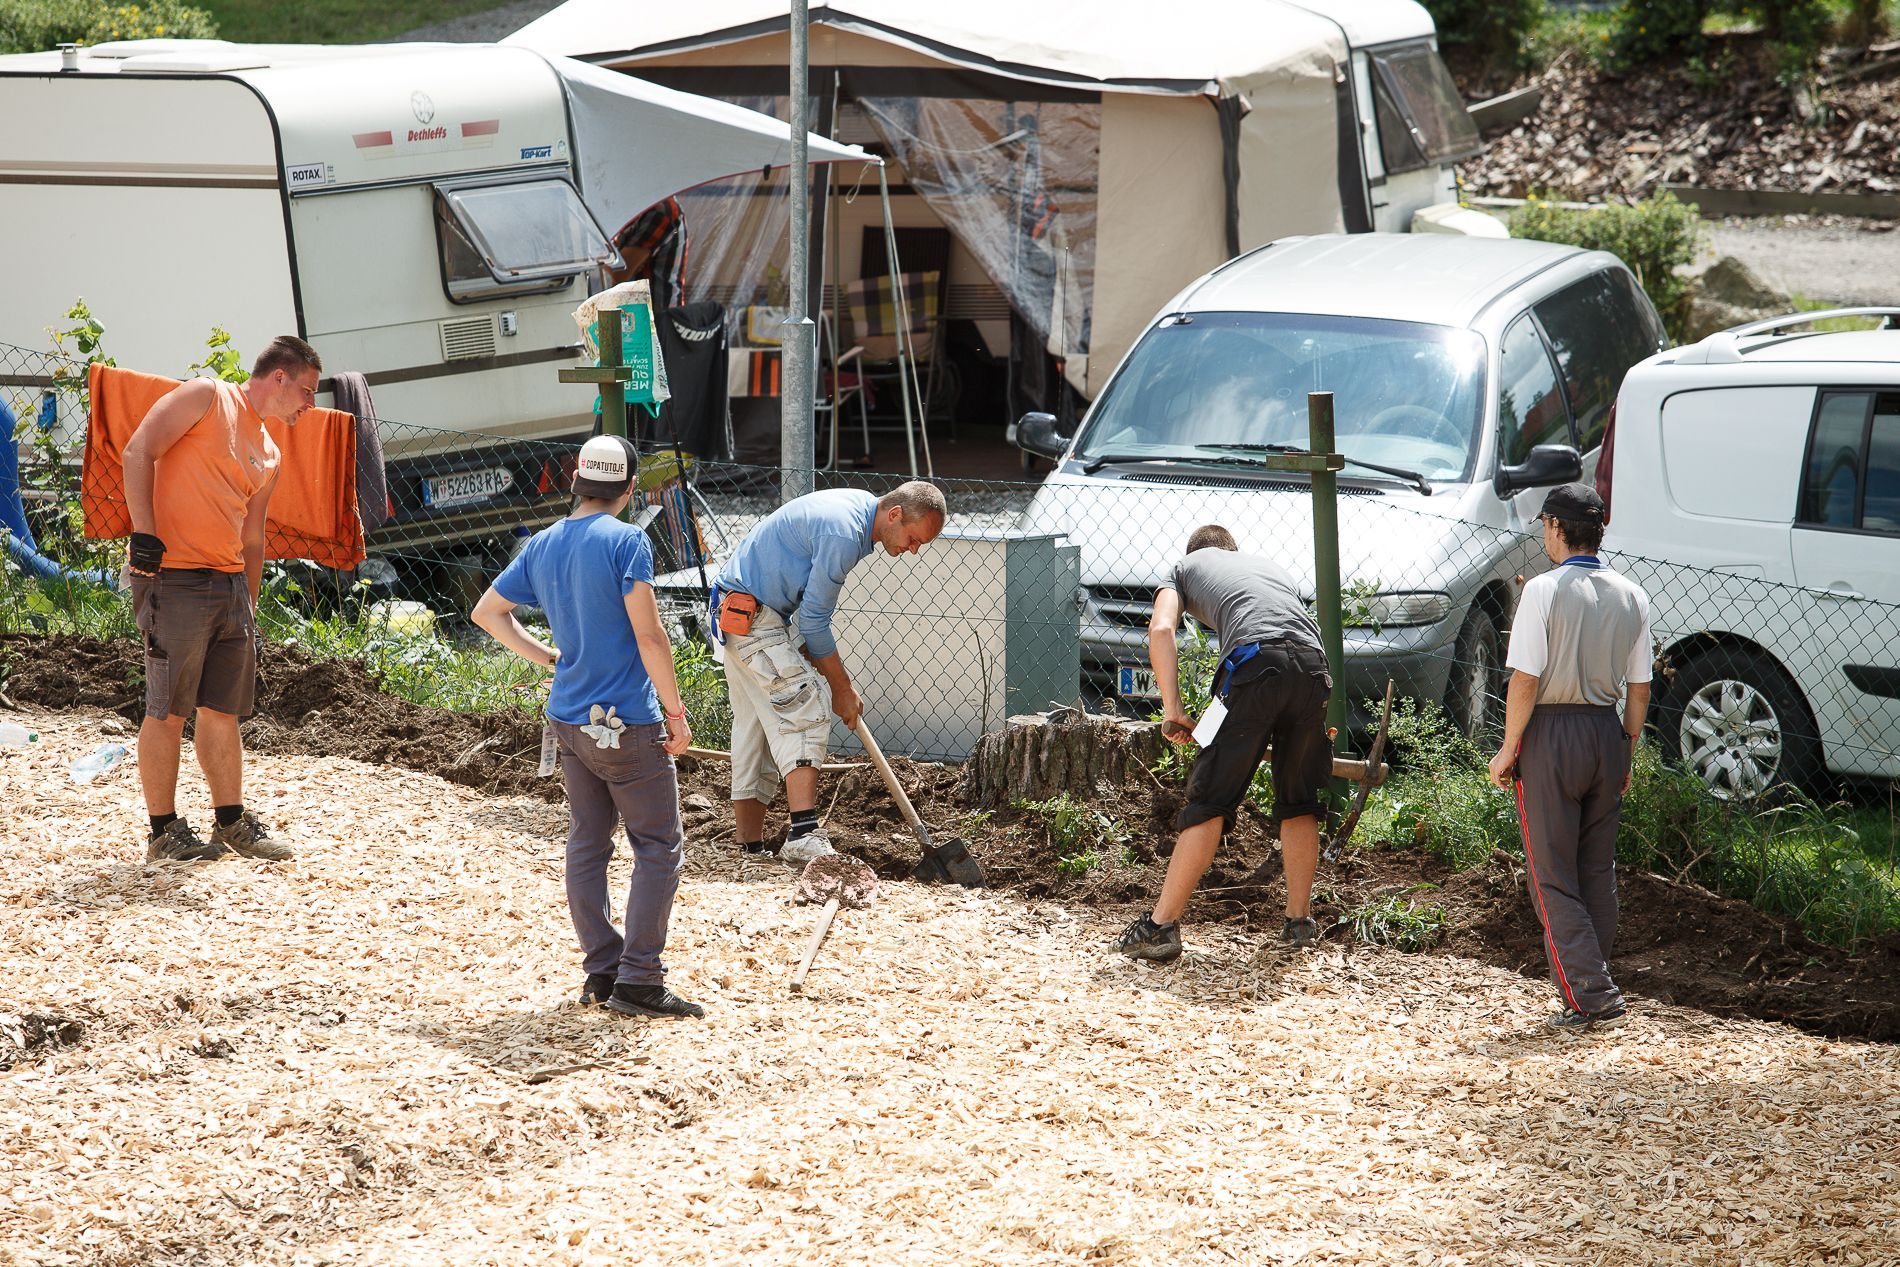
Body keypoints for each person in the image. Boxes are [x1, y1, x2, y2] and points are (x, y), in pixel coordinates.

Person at [471, 436, 702, 1019]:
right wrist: (676, 715)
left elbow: (486, 613)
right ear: (628, 489)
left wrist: (548, 658)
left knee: (587, 842)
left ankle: (601, 972)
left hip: (569, 718)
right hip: (627, 721)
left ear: (576, 482)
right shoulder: (628, 541)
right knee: (657, 846)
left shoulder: (544, 543)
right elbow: (650, 637)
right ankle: (640, 980)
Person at [124, 335, 320, 864]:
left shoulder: (271, 451)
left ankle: (230, 822)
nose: (310, 404)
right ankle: (162, 832)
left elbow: (253, 537)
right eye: (306, 390)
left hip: (230, 586)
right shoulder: (206, 397)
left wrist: (249, 606)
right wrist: (144, 534)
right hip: (176, 578)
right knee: (167, 710)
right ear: (278, 376)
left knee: (222, 710)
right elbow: (138, 449)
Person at [1116, 524, 1334, 963]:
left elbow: (1160, 630)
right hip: (1314, 670)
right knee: (1299, 800)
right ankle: (1299, 923)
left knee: (1209, 799)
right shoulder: (1269, 570)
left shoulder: (1183, 568)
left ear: (1197, 553)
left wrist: (1172, 708)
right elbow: (1292, 641)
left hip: (1256, 662)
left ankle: (1158, 927)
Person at [1487, 483, 1651, 1032]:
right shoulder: (1633, 594)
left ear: (1557, 528)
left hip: (1553, 736)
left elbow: (1525, 679)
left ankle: (1592, 994)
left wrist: (1510, 747)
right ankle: (1588, 989)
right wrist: (1625, 750)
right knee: (1595, 870)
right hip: (1608, 732)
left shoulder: (1542, 590)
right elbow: (1640, 689)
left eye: (1543, 527)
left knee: (1551, 875)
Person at [713, 482, 946, 859]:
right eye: (912, 538)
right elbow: (816, 621)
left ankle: (749, 849)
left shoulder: (855, 509)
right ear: (895, 514)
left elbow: (808, 609)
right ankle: (803, 835)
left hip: (740, 610)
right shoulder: (845, 533)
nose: (912, 550)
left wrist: (815, 653)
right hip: (752, 616)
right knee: (808, 707)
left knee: (758, 728)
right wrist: (842, 689)